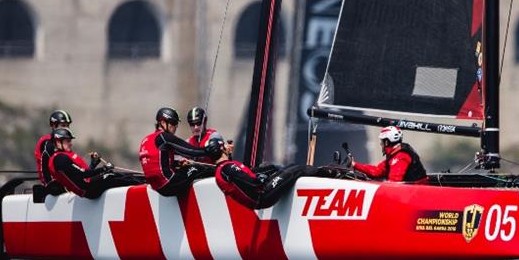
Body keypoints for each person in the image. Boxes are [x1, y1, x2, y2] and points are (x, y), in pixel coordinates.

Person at [210, 136, 344, 209]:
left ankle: (327, 170)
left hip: (260, 195)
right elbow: (249, 181)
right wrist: (261, 179)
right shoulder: (227, 168)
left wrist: (268, 171)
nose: (228, 146)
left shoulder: (223, 169)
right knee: (295, 170)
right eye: (225, 146)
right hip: (263, 194)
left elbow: (241, 179)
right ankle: (334, 172)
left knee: (286, 168)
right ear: (222, 149)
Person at [139, 107, 214, 196]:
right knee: (198, 168)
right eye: (174, 123)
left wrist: (177, 163)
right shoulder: (164, 137)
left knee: (185, 169)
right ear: (163, 123)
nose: (176, 127)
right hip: (170, 185)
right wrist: (211, 150)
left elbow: (158, 162)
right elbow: (191, 151)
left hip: (157, 188)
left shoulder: (146, 139)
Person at [48, 128, 142, 199]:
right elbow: (82, 174)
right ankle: (143, 184)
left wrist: (93, 164)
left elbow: (81, 176)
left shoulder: (60, 157)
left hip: (88, 187)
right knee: (109, 175)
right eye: (68, 141)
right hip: (88, 190)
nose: (70, 143)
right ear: (57, 141)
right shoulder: (60, 159)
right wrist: (103, 168)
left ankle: (143, 181)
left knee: (115, 175)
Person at [351, 126, 428, 182]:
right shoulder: (394, 155)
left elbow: (394, 182)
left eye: (382, 142)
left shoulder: (400, 156)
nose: (381, 144)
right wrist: (354, 164)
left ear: (387, 142)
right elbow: (377, 171)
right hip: (411, 192)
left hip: (415, 194)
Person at [35, 109, 72, 194]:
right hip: (54, 187)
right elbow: (45, 168)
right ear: (53, 126)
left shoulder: (64, 142)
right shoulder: (47, 142)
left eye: (67, 125)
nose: (66, 128)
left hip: (65, 183)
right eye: (63, 125)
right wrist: (50, 186)